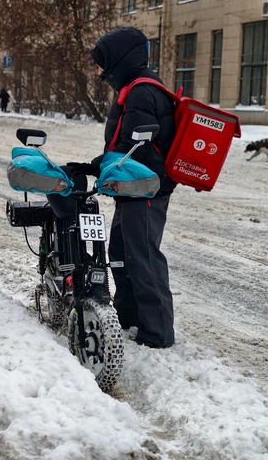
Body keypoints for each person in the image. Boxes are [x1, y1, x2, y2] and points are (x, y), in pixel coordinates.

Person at [85, 27, 177, 349]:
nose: (99, 71)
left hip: (146, 188)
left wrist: (97, 165)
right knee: (121, 254)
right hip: (133, 187)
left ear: (119, 60)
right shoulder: (132, 88)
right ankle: (129, 320)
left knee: (143, 258)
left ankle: (157, 334)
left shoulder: (141, 91)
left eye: (101, 63)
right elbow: (126, 145)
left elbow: (133, 147)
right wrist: (97, 165)